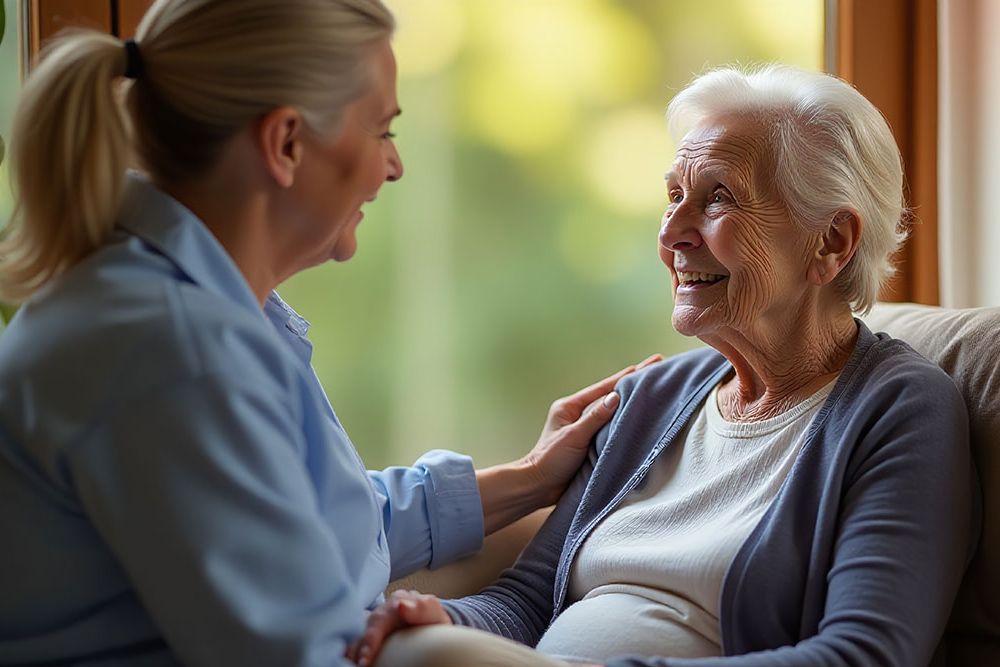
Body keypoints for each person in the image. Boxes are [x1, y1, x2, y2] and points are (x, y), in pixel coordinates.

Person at [0, 0, 659, 664]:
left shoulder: (188, 307)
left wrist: (531, 478)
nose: (394, 166)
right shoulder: (171, 348)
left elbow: (304, 523)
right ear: (286, 143)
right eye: (382, 130)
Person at [354, 65, 978, 667]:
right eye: (674, 195)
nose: (672, 232)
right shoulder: (651, 397)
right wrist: (446, 621)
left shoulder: (900, 411)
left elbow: (863, 656)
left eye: (718, 199)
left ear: (831, 242)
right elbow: (524, 602)